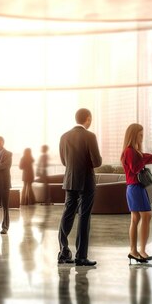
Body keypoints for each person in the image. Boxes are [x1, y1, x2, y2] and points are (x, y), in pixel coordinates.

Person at [57, 108, 102, 266]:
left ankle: (63, 252)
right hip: (87, 181)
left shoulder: (64, 136)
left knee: (67, 214)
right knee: (84, 216)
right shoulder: (90, 136)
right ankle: (81, 257)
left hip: (70, 180)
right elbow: (97, 162)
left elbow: (64, 161)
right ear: (88, 119)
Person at [121, 124, 152, 264]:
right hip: (135, 187)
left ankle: (134, 251)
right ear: (133, 136)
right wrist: (144, 158)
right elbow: (135, 168)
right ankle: (141, 251)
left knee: (136, 218)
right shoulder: (130, 151)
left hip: (134, 187)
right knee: (146, 215)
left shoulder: (134, 151)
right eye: (140, 135)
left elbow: (148, 158)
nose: (142, 138)